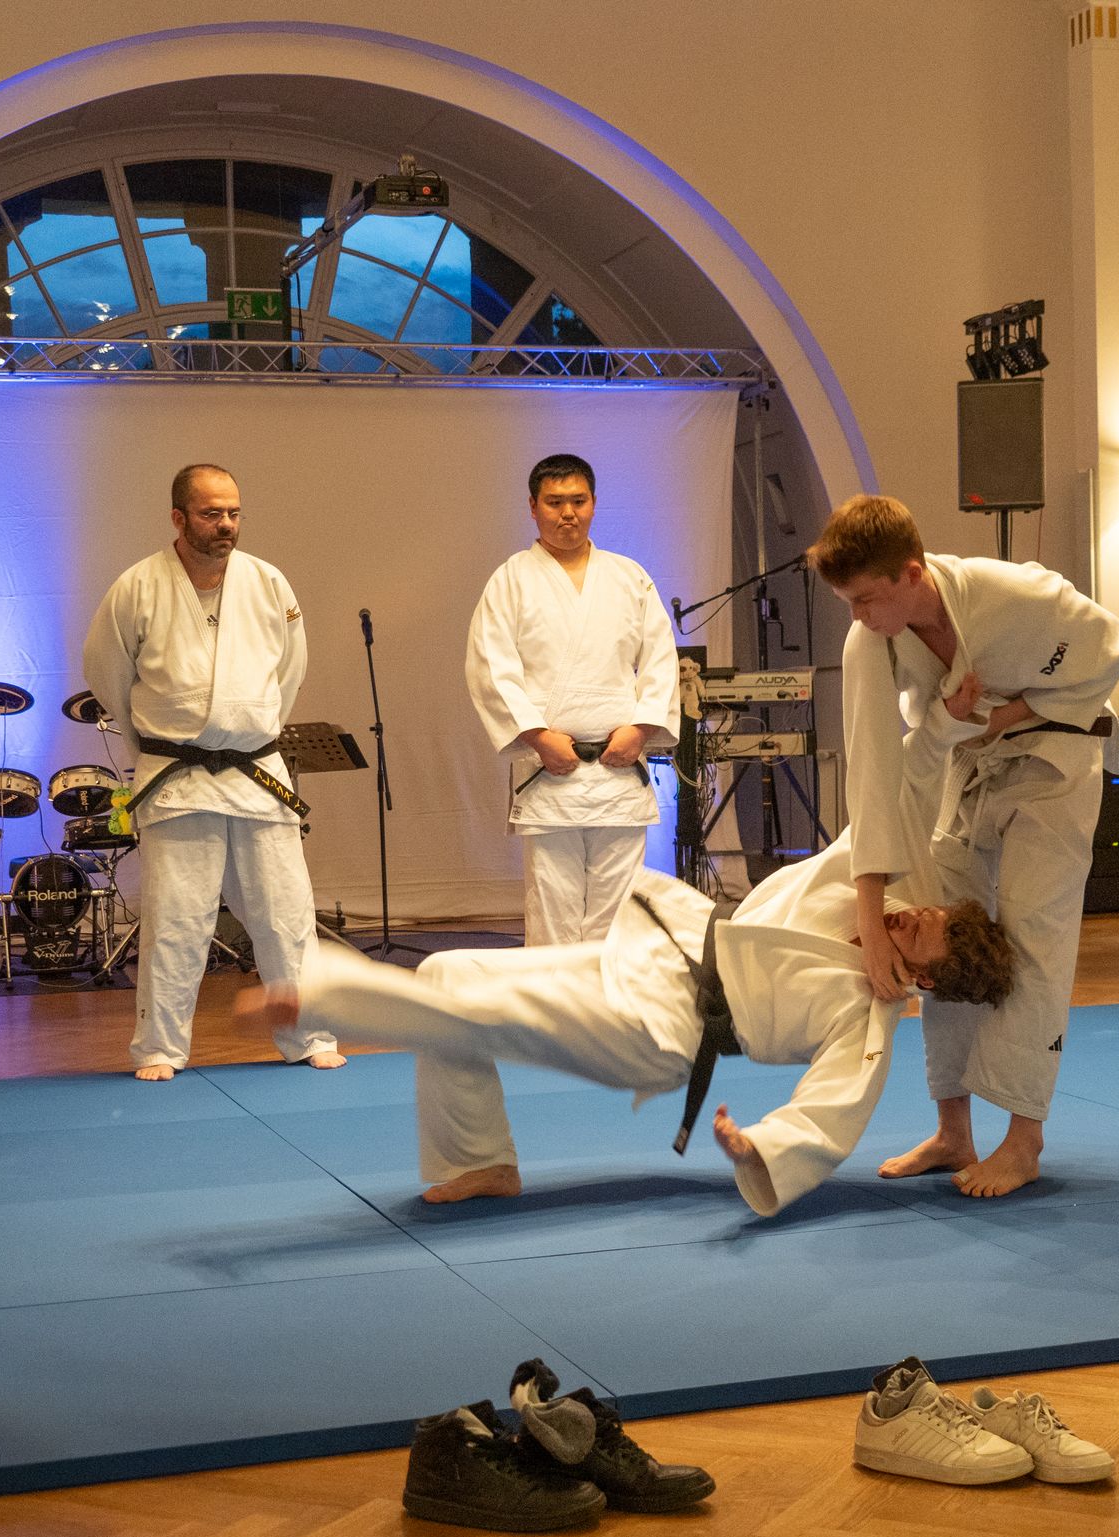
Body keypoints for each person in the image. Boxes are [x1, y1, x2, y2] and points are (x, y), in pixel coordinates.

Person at [236, 831, 1014, 1212]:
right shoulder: (865, 891)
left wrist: (761, 1146)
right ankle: (482, 1159)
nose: (909, 915)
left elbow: (833, 1109)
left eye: (923, 932)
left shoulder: (866, 1017)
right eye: (926, 911)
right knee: (450, 973)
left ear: (924, 978)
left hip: (664, 1029)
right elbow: (891, 793)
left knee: (480, 1012)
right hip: (663, 950)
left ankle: (324, 996)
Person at [809, 494, 1119, 1200]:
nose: (857, 616)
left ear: (912, 574)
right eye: (848, 602)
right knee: (942, 932)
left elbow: (1115, 648)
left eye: (866, 599)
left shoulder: (1010, 596)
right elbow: (873, 776)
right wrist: (872, 917)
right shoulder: (868, 642)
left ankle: (1024, 1140)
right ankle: (952, 1131)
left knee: (1035, 935)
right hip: (963, 762)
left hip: (1056, 758)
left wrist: (1011, 711)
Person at [83, 463, 341, 1080]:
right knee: (175, 922)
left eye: (233, 513)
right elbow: (109, 675)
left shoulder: (269, 582)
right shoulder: (137, 587)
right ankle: (160, 1047)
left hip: (255, 771)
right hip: (177, 776)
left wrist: (249, 725)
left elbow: (290, 672)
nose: (225, 524)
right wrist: (156, 741)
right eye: (210, 513)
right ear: (179, 517)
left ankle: (309, 1034)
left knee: (286, 916)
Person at [465, 453, 680, 943]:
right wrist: (539, 738)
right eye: (555, 502)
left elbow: (660, 659)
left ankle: (610, 995)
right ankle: (556, 997)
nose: (568, 513)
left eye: (578, 501)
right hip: (550, 769)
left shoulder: (629, 577)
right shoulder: (511, 579)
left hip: (618, 767)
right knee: (552, 911)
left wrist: (641, 730)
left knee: (620, 914)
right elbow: (491, 667)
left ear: (594, 504)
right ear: (533, 507)